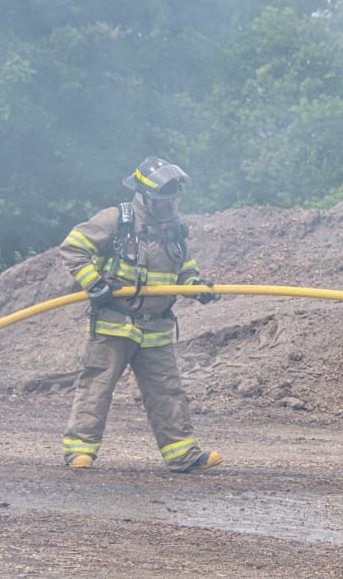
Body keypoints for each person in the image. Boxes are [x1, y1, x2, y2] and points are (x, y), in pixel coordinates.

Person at [59, 157, 222, 472]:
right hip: (114, 323)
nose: (169, 206)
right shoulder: (116, 220)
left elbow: (184, 267)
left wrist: (196, 286)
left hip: (156, 328)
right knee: (97, 386)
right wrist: (94, 283)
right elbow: (73, 247)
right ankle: (79, 451)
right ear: (144, 196)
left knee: (167, 391)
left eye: (172, 200)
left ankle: (183, 455)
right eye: (163, 200)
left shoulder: (173, 228)